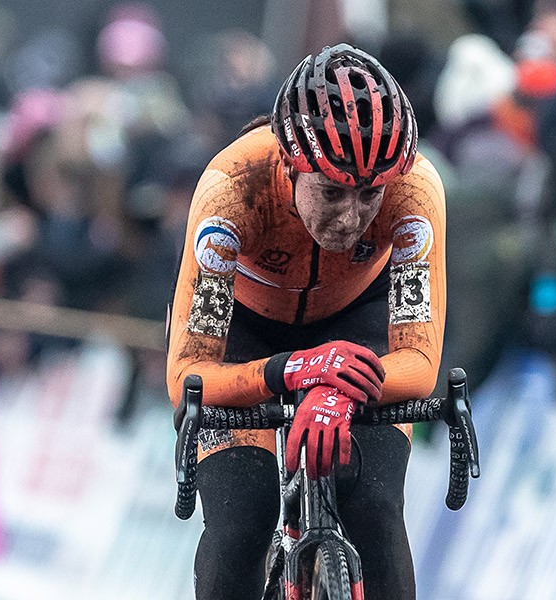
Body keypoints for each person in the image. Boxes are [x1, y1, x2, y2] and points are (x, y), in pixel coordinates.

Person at [166, 44, 446, 599]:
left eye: (371, 194)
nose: (352, 216)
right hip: (247, 338)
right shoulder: (233, 190)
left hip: (357, 331)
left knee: (378, 519)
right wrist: (292, 371)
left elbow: (419, 361)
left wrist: (339, 391)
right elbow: (189, 376)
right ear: (291, 164)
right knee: (238, 530)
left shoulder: (414, 193)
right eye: (332, 192)